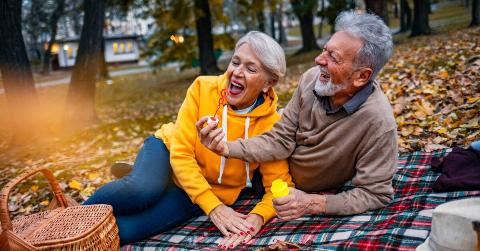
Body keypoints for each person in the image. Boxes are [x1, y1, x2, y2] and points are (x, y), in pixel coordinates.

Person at [84, 31, 293, 249]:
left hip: (199, 188)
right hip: (167, 150)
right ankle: (67, 216)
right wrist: (214, 208)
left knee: (126, 231)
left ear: (269, 83)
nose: (237, 73)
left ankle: (155, 182)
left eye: (251, 69)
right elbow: (182, 153)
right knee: (142, 190)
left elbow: (279, 185)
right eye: (235, 62)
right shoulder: (203, 88)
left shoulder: (272, 125)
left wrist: (257, 216)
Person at [197, 11, 397, 220]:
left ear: (361, 76)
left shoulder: (378, 122)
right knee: (183, 174)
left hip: (272, 185)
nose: (319, 60)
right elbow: (281, 139)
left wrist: (313, 203)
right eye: (324, 50)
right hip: (255, 169)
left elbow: (376, 193)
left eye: (333, 58)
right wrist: (226, 148)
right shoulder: (312, 79)